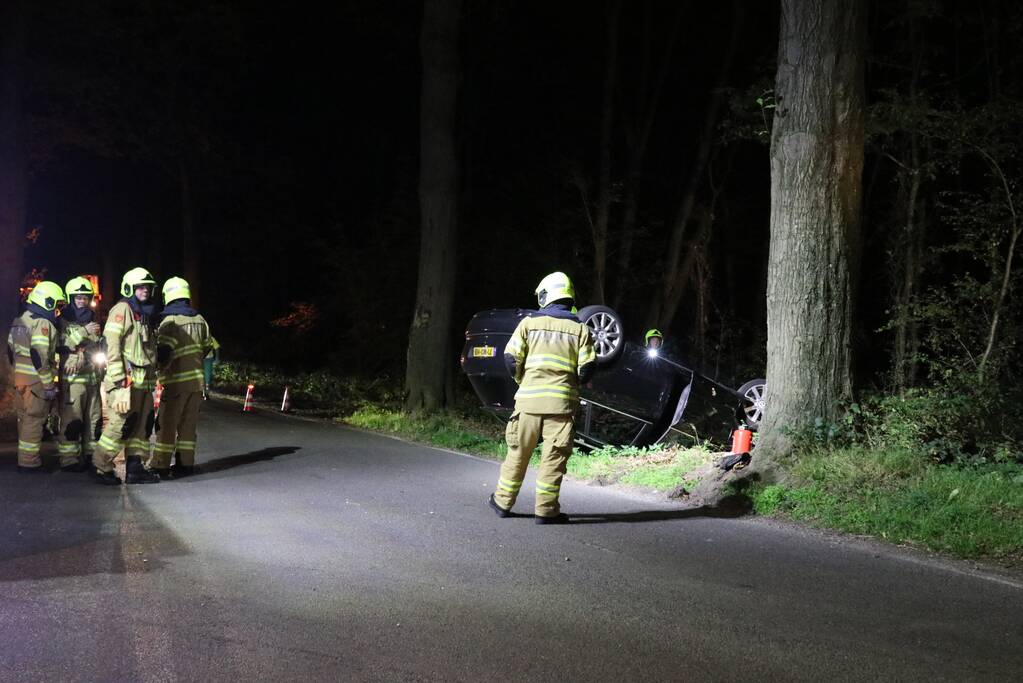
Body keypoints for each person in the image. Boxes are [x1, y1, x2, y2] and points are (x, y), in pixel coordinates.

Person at [488, 272, 596, 524]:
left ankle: (503, 502)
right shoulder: (580, 330)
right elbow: (587, 368)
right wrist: (570, 385)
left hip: (528, 404)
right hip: (561, 406)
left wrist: (522, 381)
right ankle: (546, 511)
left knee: (518, 454)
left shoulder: (528, 324)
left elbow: (510, 358)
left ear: (546, 295)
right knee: (553, 458)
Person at [91, 267, 161, 485]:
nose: (145, 291)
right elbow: (111, 344)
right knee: (120, 425)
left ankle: (135, 468)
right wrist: (120, 379)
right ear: (130, 288)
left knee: (142, 426)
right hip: (126, 383)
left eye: (148, 287)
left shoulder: (144, 314)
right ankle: (101, 466)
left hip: (143, 383)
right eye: (140, 287)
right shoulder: (122, 309)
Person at [150, 277, 216, 478]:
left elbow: (163, 353)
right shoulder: (200, 319)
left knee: (167, 425)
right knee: (188, 426)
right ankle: (186, 464)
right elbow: (207, 348)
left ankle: (161, 465)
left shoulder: (170, 322)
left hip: (175, 383)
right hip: (196, 383)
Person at [7, 281, 65, 473]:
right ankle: (29, 463)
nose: (57, 310)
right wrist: (48, 385)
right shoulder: (43, 323)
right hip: (36, 382)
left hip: (20, 380)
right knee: (35, 420)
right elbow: (39, 355)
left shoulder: (20, 320)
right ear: (46, 301)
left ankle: (24, 459)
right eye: (55, 304)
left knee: (24, 420)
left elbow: (10, 350)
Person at [55, 277, 103, 472]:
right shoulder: (62, 320)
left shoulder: (93, 319)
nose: (82, 301)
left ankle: (90, 456)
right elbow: (61, 346)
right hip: (73, 381)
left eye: (85, 297)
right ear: (71, 298)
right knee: (72, 421)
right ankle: (69, 460)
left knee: (94, 420)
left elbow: (95, 347)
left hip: (92, 379)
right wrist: (82, 331)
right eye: (78, 298)